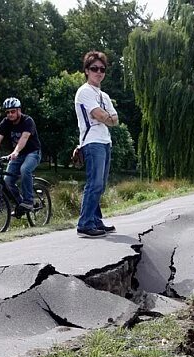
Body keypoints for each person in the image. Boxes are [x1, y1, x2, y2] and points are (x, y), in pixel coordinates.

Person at [73, 50, 118, 238]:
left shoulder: (104, 95)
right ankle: (84, 224)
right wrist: (105, 116)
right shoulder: (84, 92)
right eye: (94, 69)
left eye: (102, 69)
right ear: (86, 71)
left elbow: (115, 120)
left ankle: (96, 220)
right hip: (92, 142)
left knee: (101, 184)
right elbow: (100, 115)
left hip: (105, 141)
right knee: (94, 183)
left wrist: (105, 116)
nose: (98, 72)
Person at [0, 97, 42, 217]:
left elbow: (24, 138)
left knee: (25, 170)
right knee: (7, 182)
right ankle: (21, 206)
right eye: (7, 112)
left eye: (13, 111)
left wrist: (16, 151)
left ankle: (28, 201)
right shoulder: (5, 123)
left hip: (33, 153)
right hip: (17, 154)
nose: (10, 114)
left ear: (19, 110)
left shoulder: (28, 121)